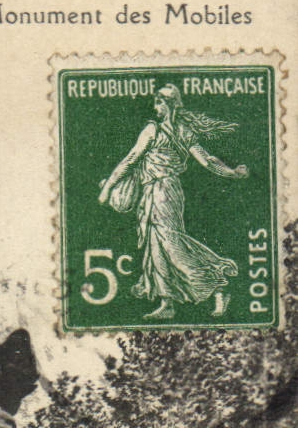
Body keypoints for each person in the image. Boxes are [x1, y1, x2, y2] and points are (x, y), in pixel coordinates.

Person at [99, 84, 248, 320]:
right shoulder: (181, 131)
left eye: (159, 102)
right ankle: (166, 303)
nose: (155, 107)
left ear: (168, 104)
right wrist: (232, 172)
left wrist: (107, 188)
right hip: (156, 191)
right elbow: (207, 161)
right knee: (156, 245)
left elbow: (131, 159)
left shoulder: (154, 129)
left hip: (163, 191)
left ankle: (218, 286)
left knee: (171, 244)